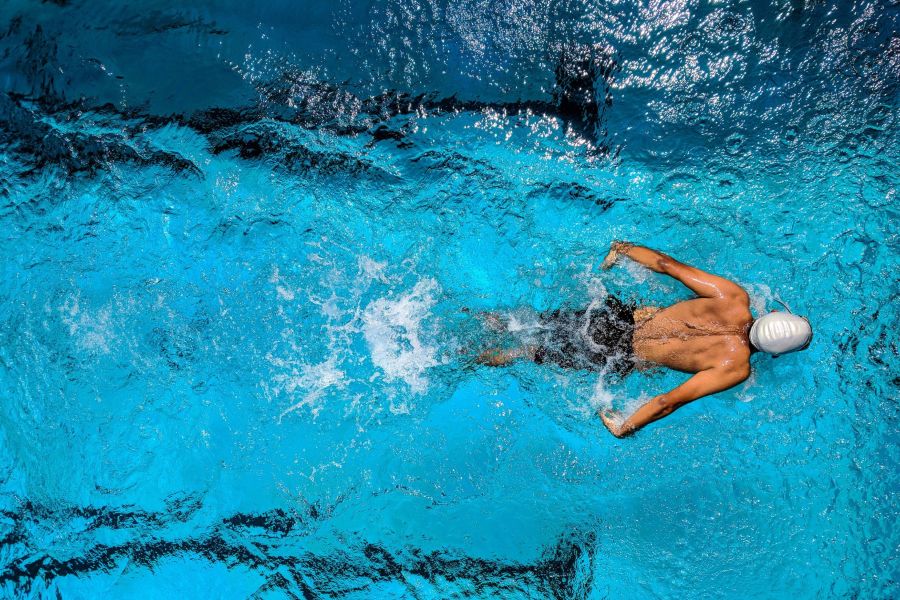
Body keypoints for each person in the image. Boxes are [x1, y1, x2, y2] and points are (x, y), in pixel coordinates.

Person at [476, 242, 812, 438]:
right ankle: (466, 357)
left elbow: (667, 265)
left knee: (525, 323)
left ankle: (474, 316)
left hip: (615, 317)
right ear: (775, 354)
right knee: (526, 351)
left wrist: (623, 249)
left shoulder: (733, 297)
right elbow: (669, 401)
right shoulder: (735, 367)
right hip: (617, 355)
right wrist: (625, 426)